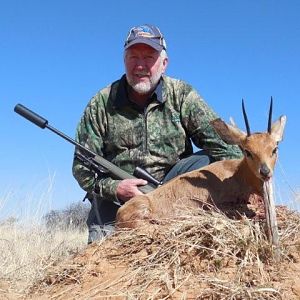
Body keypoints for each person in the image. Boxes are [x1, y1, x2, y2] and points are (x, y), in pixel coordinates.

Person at [72, 24, 242, 243]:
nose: (140, 65)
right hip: (118, 200)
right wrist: (116, 188)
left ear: (164, 63)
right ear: (124, 60)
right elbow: (81, 168)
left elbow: (228, 147)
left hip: (174, 191)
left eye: (149, 57)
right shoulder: (101, 103)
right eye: (134, 57)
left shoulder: (182, 95)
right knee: (102, 254)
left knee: (208, 160)